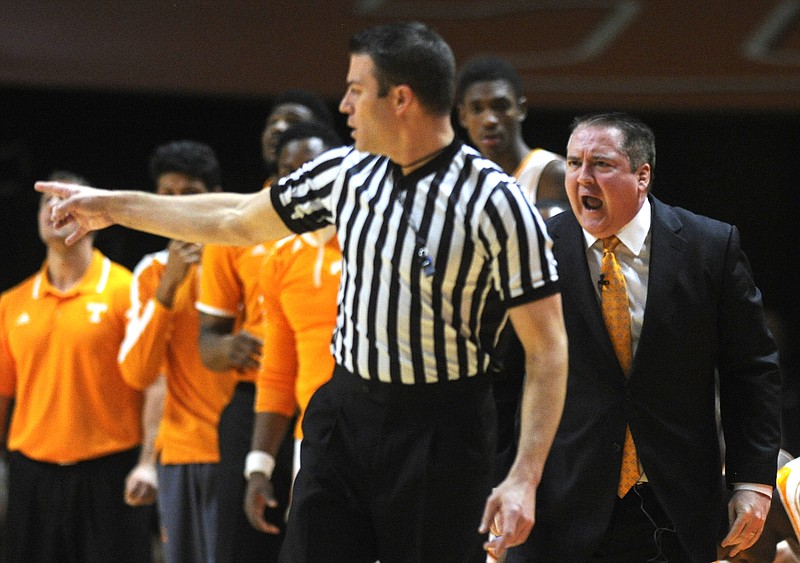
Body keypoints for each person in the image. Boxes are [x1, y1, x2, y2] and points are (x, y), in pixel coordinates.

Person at [36, 21, 569, 562]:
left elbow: (548, 351)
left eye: (356, 89)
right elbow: (237, 215)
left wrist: (524, 476)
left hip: (442, 430)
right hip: (345, 413)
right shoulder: (347, 174)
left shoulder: (498, 203)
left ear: (400, 98)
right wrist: (111, 206)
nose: (343, 105)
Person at [505, 112, 782, 563]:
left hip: (675, 505)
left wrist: (752, 481)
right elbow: (502, 377)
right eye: (574, 163)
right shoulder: (536, 249)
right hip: (556, 505)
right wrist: (500, 479)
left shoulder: (710, 246)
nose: (581, 178)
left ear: (642, 176)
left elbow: (750, 372)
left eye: (601, 164)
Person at [196, 90, 335, 563]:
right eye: (272, 125)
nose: (301, 181)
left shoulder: (370, 236)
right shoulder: (252, 233)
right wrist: (228, 347)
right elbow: (218, 344)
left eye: (292, 123)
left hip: (356, 413)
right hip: (273, 407)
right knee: (256, 542)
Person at [0, 171, 152, 563]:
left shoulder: (126, 289)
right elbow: (2, 391)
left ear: (94, 214)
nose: (56, 209)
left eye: (67, 199)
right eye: (46, 201)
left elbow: (156, 380)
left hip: (109, 472)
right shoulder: (12, 303)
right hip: (31, 473)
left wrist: (149, 462)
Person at [117, 141, 237, 562]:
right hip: (180, 453)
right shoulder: (150, 271)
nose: (176, 207)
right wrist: (169, 286)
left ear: (214, 194)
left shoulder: (242, 260)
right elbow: (137, 373)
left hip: (235, 448)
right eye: (166, 196)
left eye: (189, 195)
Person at [242, 121, 342, 533]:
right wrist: (259, 467)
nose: (302, 181)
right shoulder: (280, 260)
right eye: (289, 171)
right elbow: (278, 372)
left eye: (313, 167)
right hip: (314, 443)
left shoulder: (378, 241)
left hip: (387, 440)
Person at [456, 55, 567, 219]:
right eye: (477, 109)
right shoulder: (461, 181)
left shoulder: (552, 174)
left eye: (500, 106)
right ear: (463, 116)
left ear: (521, 109)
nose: (489, 120)